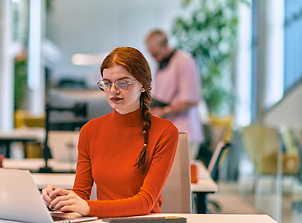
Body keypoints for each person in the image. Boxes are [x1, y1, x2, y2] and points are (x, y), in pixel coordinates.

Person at [42, 47, 179, 218]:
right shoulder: (90, 130)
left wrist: (89, 208)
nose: (113, 90)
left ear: (143, 85)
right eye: (107, 83)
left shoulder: (165, 132)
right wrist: (62, 198)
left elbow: (145, 202)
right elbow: (81, 194)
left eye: (122, 83)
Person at [145, 29, 204, 160]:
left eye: (156, 54)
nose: (155, 58)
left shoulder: (185, 61)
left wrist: (165, 110)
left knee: (182, 177)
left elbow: (191, 99)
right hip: (168, 131)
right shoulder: (161, 65)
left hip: (185, 131)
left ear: (165, 45)